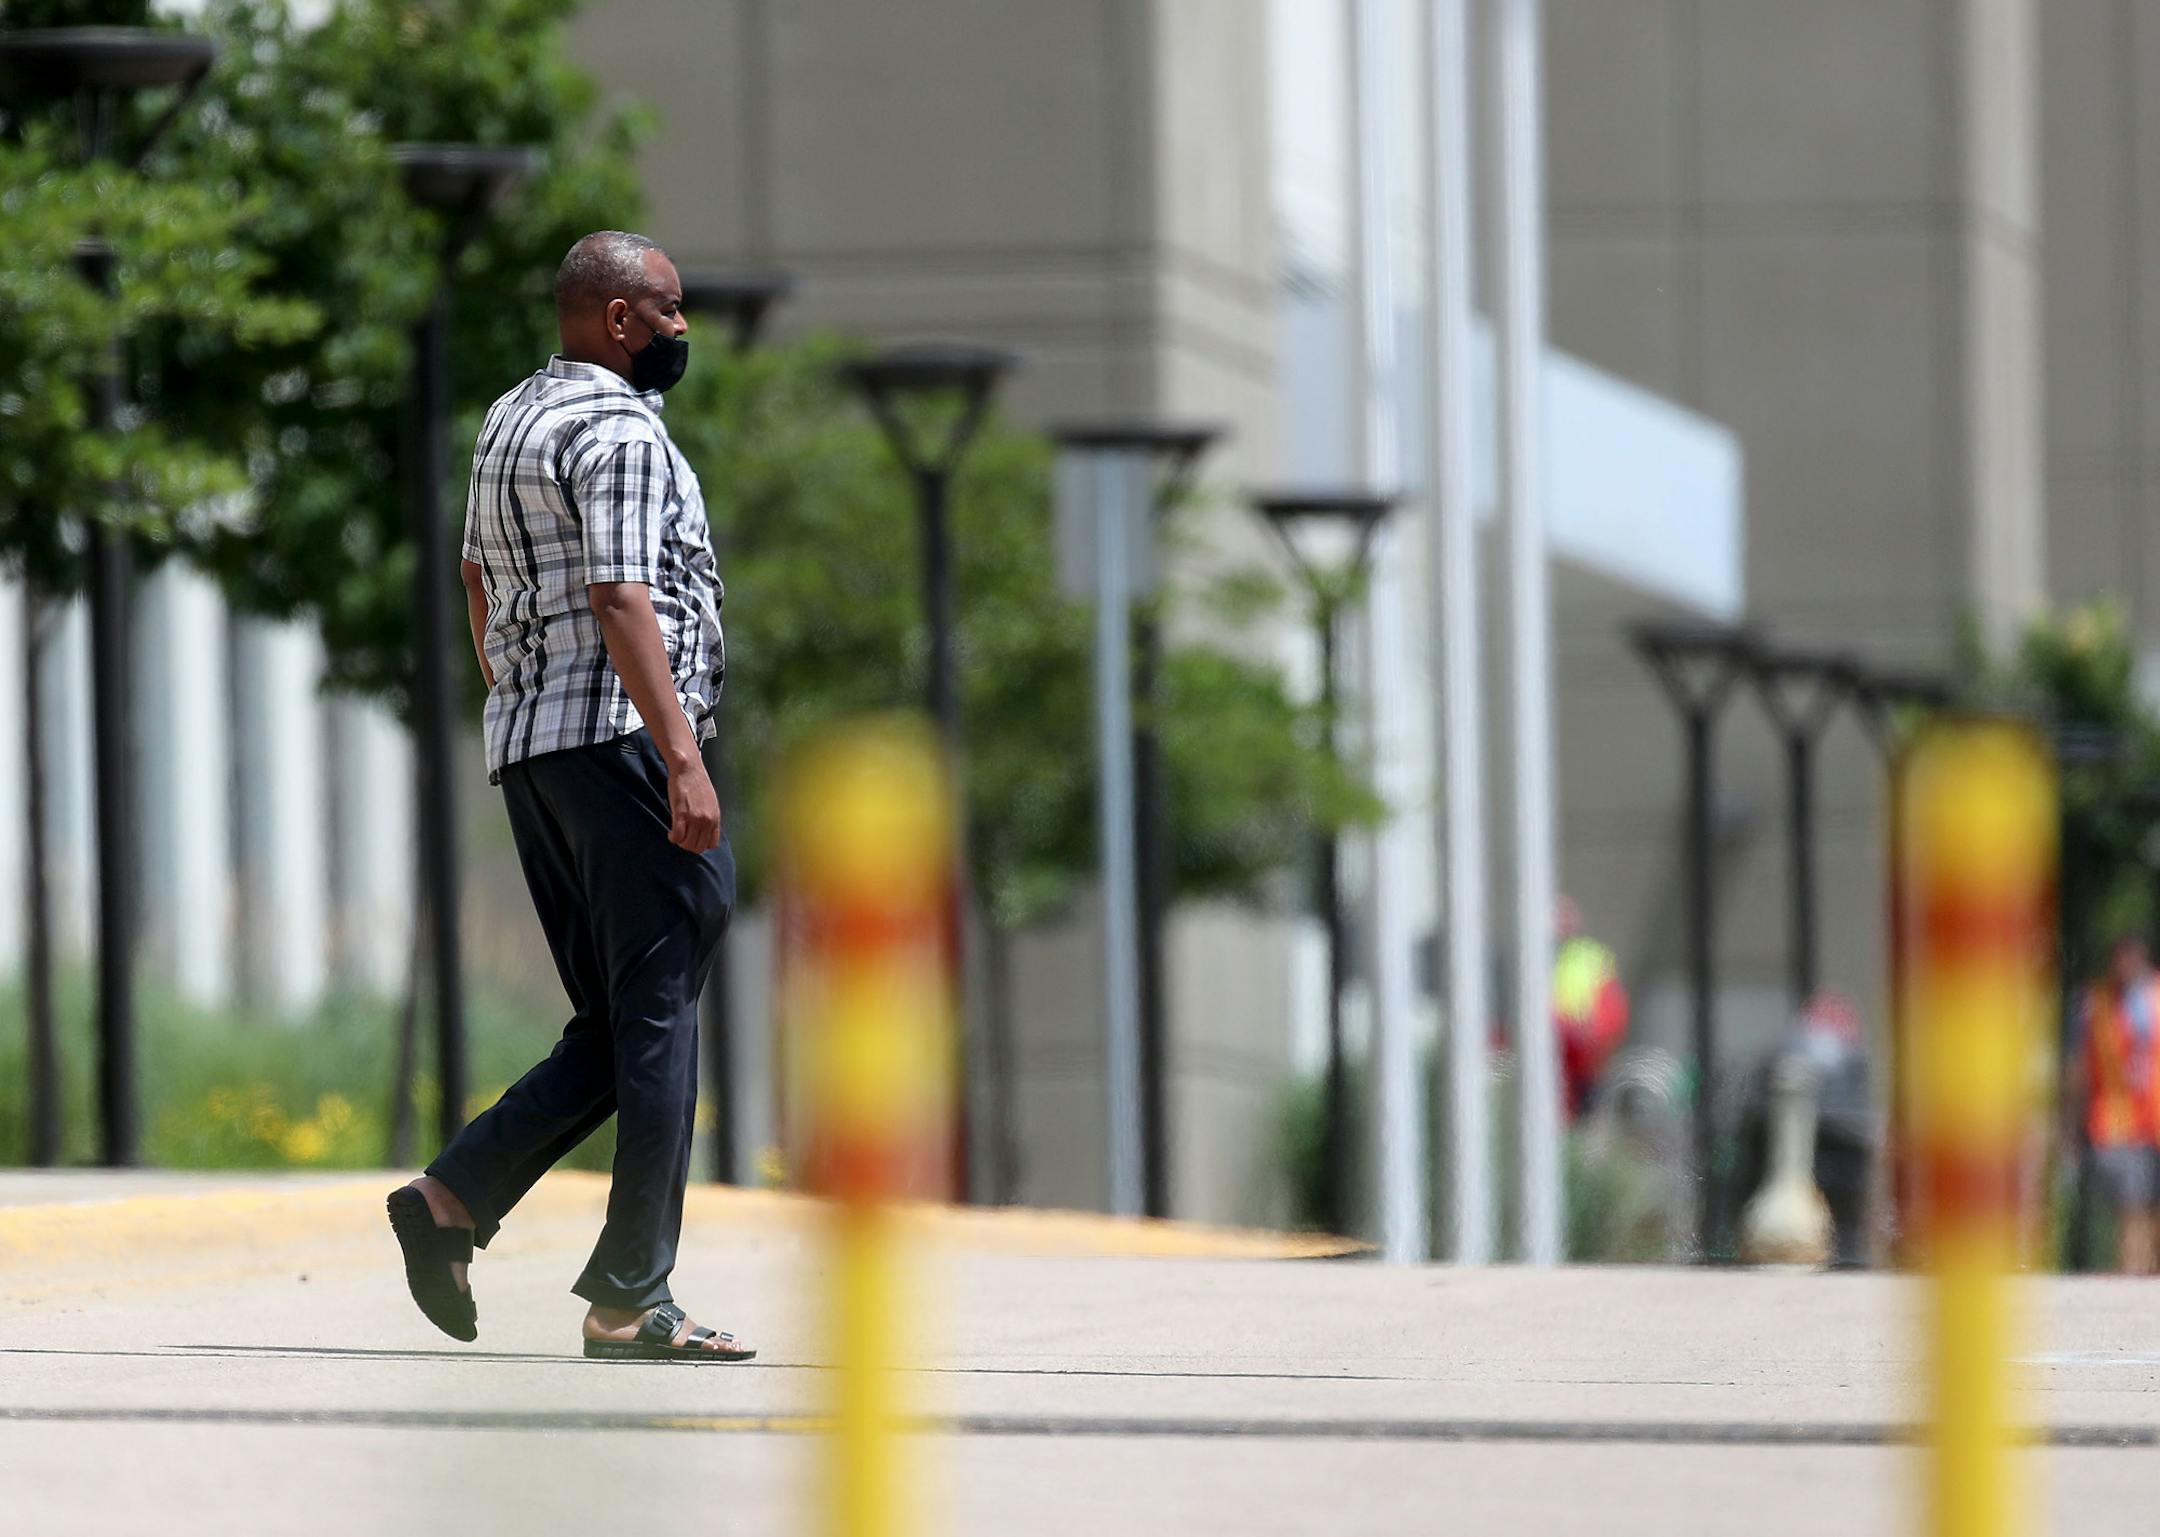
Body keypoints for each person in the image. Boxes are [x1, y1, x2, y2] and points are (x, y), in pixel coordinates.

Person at [384, 230, 750, 1362]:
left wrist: (519, 691)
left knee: (614, 1022)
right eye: (673, 312)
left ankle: (451, 1200)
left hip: (538, 756)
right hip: (626, 748)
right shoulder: (625, 433)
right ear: (623, 320)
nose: (685, 331)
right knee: (657, 1019)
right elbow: (622, 596)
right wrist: (680, 756)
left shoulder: (511, 417)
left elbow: (475, 575)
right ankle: (633, 1297)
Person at [2067, 932, 2160, 1274]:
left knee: (2149, 1214)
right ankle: (2133, 1283)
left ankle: (2143, 1283)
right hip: (2117, 1122)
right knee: (2132, 1208)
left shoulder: (2156, 997)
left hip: (2155, 1120)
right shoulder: (2095, 1003)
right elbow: (2078, 1069)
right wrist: (2073, 1124)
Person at [1554, 896, 1629, 1120]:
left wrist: (1592, 1038)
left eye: (1567, 916)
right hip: (1549, 1055)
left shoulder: (1592, 957)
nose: (1562, 924)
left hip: (1582, 1058)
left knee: (1585, 1116)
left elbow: (1611, 1009)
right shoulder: (1527, 957)